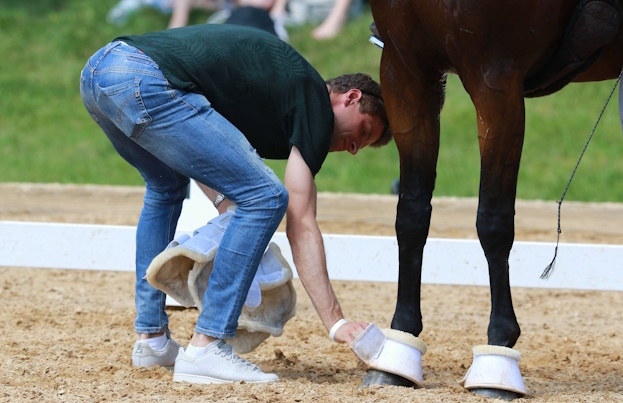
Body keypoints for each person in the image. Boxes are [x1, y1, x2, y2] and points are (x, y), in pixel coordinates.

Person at [79, 23, 392, 384]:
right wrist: (335, 321)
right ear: (351, 97)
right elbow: (300, 220)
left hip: (101, 73)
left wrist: (228, 210)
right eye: (364, 132)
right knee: (267, 197)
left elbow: (195, 148)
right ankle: (207, 346)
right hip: (143, 77)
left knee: (166, 185)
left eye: (362, 147)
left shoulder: (277, 98)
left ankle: (151, 339)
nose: (353, 149)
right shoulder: (313, 101)